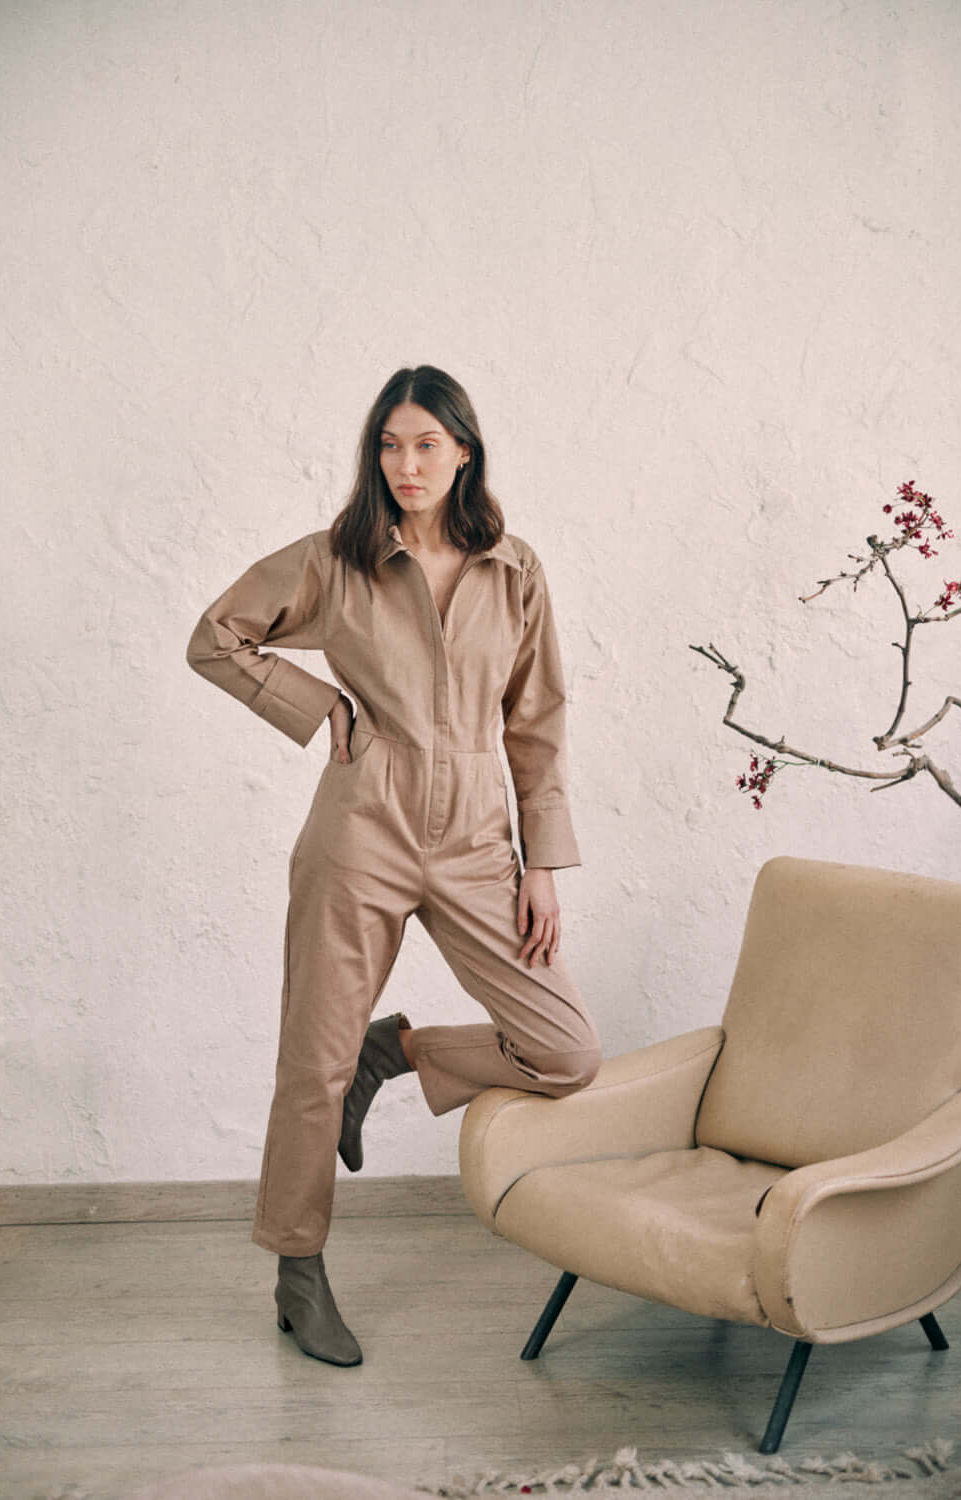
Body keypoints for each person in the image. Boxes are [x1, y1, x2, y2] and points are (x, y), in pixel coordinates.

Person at [185, 364, 601, 1368]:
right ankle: (297, 1272)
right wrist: (314, 703)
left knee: (564, 1050)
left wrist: (540, 862)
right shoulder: (341, 560)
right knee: (310, 1064)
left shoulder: (515, 569)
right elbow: (217, 635)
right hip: (361, 827)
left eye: (424, 443)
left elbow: (535, 721)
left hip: (474, 840)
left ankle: (403, 1053)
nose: (405, 463)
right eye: (388, 444)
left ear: (463, 451)